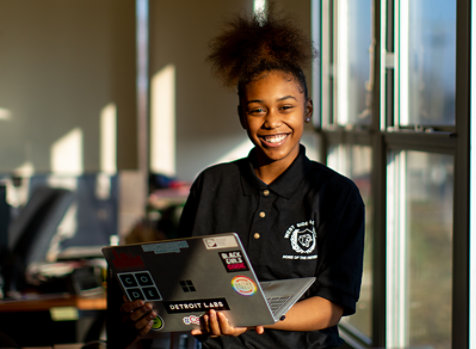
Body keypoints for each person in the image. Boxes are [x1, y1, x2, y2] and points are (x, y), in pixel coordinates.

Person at [111, 10, 365, 349]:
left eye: (285, 107)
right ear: (242, 115)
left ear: (308, 109)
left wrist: (251, 317)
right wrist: (150, 312)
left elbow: (333, 306)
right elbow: (183, 285)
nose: (272, 122)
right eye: (257, 109)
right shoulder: (212, 185)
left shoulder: (336, 195)